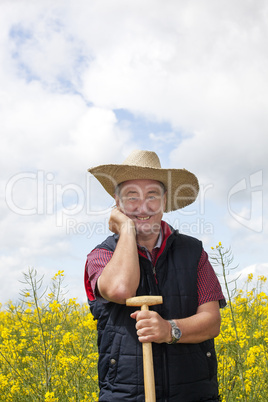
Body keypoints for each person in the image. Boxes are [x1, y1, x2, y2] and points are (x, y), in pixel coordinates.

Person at [84, 150, 226, 402]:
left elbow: (211, 321)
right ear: (117, 204)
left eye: (152, 196)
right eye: (131, 197)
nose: (143, 207)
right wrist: (127, 230)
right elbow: (120, 290)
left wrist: (169, 330)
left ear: (164, 201)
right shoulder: (102, 256)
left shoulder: (194, 253)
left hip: (193, 394)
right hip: (126, 396)